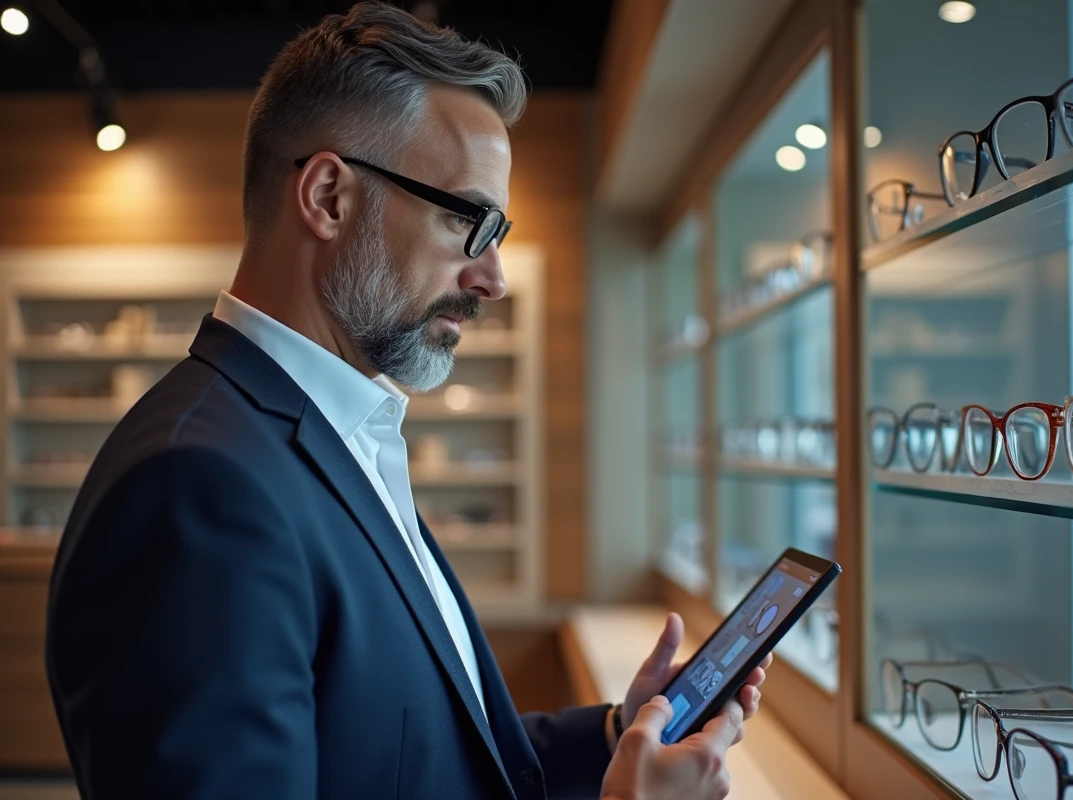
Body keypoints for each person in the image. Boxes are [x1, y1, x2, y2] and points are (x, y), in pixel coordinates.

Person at [44, 4, 772, 799]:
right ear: (327, 197)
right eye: (468, 220)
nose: (492, 277)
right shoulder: (197, 487)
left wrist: (613, 736)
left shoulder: (334, 432)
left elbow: (411, 751)